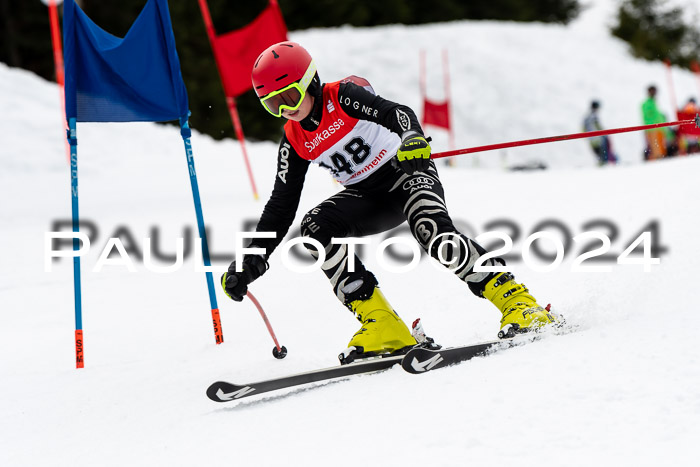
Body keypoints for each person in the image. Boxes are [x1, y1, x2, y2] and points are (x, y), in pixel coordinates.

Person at [220, 41, 559, 362]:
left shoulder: (342, 97)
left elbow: (396, 112)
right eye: (273, 104)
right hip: (368, 197)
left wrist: (411, 137)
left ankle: (518, 300)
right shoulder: (294, 140)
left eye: (290, 97)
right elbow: (280, 207)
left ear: (311, 82)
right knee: (313, 229)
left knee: (432, 233)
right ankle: (383, 323)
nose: (286, 110)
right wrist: (251, 260)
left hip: (406, 171)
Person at [641, 85, 671, 160]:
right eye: (652, 91)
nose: (654, 93)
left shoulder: (654, 102)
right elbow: (647, 117)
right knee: (656, 151)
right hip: (653, 129)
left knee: (660, 149)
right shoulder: (646, 104)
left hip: (659, 129)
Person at [583, 100, 616, 165]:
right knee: (603, 157)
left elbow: (583, 128)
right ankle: (602, 169)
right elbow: (598, 127)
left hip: (591, 140)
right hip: (598, 139)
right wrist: (604, 133)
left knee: (599, 156)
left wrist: (587, 137)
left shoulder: (586, 117)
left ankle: (601, 167)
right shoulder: (594, 116)